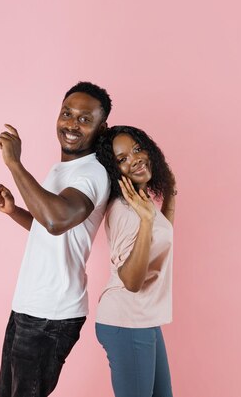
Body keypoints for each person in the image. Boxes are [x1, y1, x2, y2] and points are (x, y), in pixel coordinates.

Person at [0, 82, 112, 397]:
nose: (72, 124)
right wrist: (14, 211)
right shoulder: (63, 170)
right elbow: (50, 225)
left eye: (85, 119)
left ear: (101, 127)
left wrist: (15, 163)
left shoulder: (92, 174)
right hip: (28, 306)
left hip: (51, 314)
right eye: (67, 114)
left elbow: (56, 221)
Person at [94, 126, 177, 397]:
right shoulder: (127, 212)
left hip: (144, 317)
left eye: (138, 149)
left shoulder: (141, 205)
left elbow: (159, 237)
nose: (135, 158)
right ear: (114, 170)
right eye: (122, 159)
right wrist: (146, 220)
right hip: (126, 320)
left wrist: (170, 193)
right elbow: (131, 281)